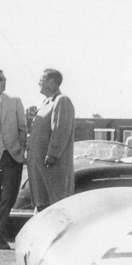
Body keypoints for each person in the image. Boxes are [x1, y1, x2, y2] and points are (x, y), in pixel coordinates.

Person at [28, 68, 75, 212]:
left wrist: (53, 154)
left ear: (52, 82)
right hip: (41, 166)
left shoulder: (61, 101)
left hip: (52, 167)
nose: (39, 83)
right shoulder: (45, 103)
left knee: (55, 205)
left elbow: (61, 129)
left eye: (42, 80)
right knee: (42, 205)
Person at [0, 70, 27, 249]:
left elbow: (23, 128)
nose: (4, 82)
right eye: (1, 79)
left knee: (8, 197)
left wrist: (20, 149)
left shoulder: (15, 101)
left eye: (4, 79)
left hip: (11, 157)